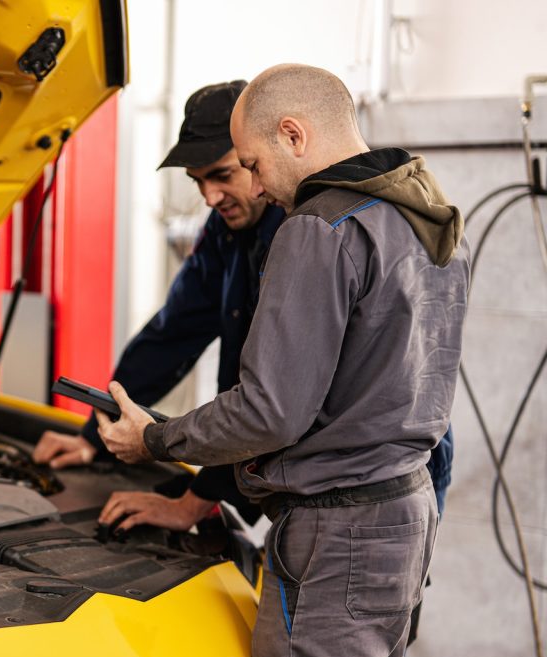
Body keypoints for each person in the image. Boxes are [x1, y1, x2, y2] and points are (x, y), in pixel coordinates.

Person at [95, 64, 468, 657]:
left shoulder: (319, 227)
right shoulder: (424, 212)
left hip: (335, 539)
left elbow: (270, 409)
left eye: (253, 165)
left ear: (293, 134)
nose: (257, 188)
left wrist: (153, 440)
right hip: (406, 513)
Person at [33, 81, 454, 534]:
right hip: (327, 496)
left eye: (226, 172)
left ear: (273, 146)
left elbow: (265, 405)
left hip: (371, 496)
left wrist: (191, 500)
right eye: (198, 182)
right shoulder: (228, 228)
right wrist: (98, 436)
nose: (212, 197)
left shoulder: (308, 230)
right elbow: (172, 334)